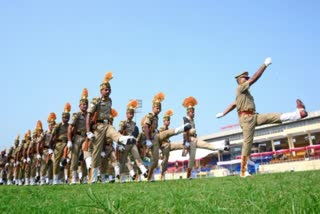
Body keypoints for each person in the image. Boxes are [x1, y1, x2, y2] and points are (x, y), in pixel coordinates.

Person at [215, 57, 308, 177]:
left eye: (247, 78)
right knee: (247, 142)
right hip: (246, 119)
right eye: (245, 78)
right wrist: (264, 65)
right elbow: (254, 78)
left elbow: (233, 104)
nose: (247, 79)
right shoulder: (240, 88)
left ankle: (298, 114)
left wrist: (223, 113)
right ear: (239, 80)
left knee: (272, 116)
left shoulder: (244, 93)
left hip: (253, 116)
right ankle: (243, 171)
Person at [85, 72, 134, 183]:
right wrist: (88, 131)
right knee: (96, 153)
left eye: (109, 89)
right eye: (105, 89)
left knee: (113, 132)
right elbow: (89, 115)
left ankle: (122, 139)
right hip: (98, 126)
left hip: (107, 124)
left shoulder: (110, 101)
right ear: (101, 91)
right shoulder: (96, 101)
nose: (108, 91)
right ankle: (93, 177)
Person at [141, 92, 192, 181]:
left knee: (168, 133)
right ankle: (149, 177)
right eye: (157, 108)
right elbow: (145, 126)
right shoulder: (150, 115)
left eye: (160, 108)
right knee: (155, 161)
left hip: (157, 139)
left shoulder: (156, 117)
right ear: (153, 108)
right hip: (152, 139)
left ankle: (181, 129)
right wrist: (148, 140)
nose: (159, 110)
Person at [182, 96, 229, 179]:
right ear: (188, 112)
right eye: (192, 112)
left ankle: (221, 147)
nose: (193, 113)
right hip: (189, 140)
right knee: (192, 158)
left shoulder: (192, 120)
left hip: (194, 139)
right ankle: (188, 174)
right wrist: (186, 143)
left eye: (194, 112)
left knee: (206, 145)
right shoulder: (185, 119)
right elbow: (185, 132)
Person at [118, 100, 148, 182]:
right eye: (130, 113)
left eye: (132, 114)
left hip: (132, 143)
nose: (131, 115)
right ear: (126, 114)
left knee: (137, 157)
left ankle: (144, 171)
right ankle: (123, 178)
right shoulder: (123, 123)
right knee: (123, 161)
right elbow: (119, 133)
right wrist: (119, 144)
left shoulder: (134, 124)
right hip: (125, 143)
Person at [68, 88, 89, 185]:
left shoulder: (89, 115)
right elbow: (70, 127)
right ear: (79, 106)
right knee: (75, 157)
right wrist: (69, 140)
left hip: (85, 137)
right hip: (77, 137)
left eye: (86, 104)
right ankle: (73, 177)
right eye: (83, 104)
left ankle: (84, 177)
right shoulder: (76, 115)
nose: (84, 106)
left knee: (85, 156)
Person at [158, 109, 185, 181]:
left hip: (168, 145)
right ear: (164, 121)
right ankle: (162, 175)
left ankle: (185, 146)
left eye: (169, 120)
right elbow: (159, 139)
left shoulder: (168, 129)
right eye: (167, 120)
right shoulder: (161, 129)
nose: (168, 122)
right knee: (165, 160)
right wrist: (160, 150)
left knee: (179, 145)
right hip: (163, 146)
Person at [37, 112, 56, 185]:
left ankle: (51, 180)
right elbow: (38, 142)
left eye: (53, 125)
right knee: (43, 166)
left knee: (52, 165)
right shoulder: (45, 133)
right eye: (51, 125)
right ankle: (42, 180)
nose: (52, 126)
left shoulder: (55, 133)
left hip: (53, 150)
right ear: (49, 125)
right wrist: (38, 153)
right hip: (45, 150)